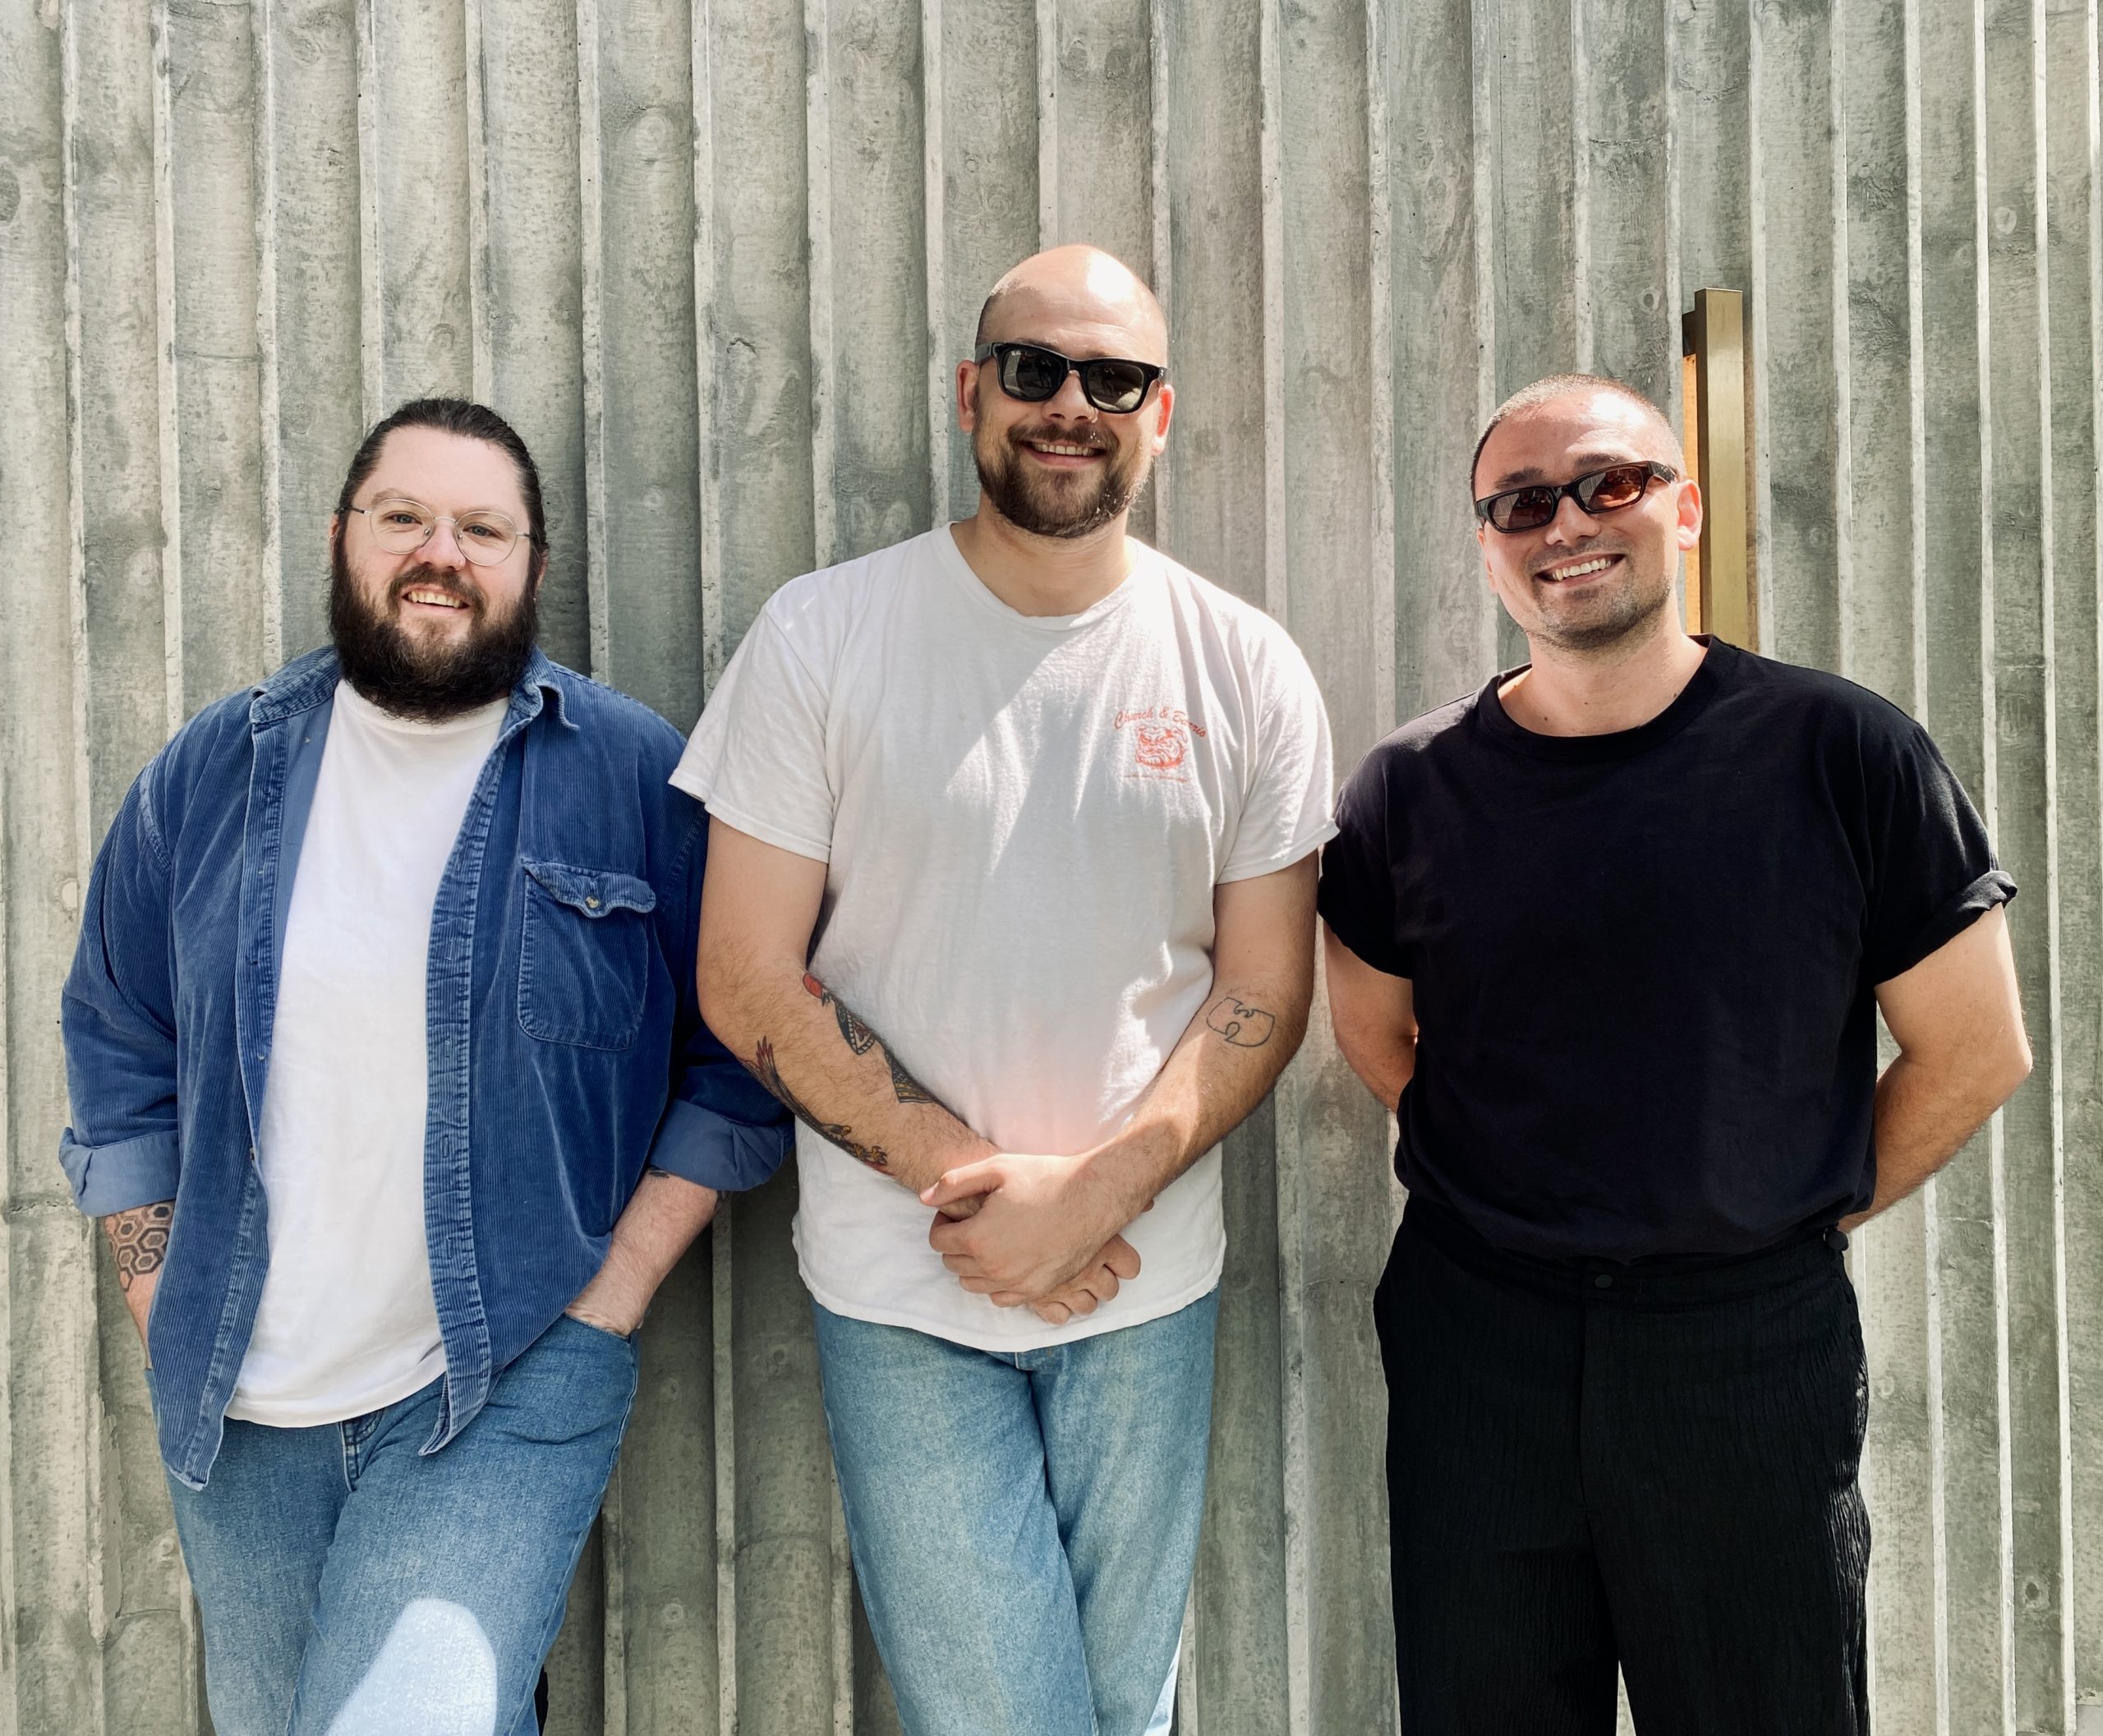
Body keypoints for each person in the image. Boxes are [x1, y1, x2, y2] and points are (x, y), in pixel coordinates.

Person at [678, 244, 1335, 1734]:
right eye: (1035, 369)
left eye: (1116, 379)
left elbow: (1264, 990)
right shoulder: (824, 635)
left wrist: (1096, 1196)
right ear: (972, 393)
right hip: (905, 1279)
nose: (1072, 405)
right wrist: (982, 1193)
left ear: (1162, 415)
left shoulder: (1246, 669)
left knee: (1121, 1706)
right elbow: (743, 973)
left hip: (1145, 1285)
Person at [58, 398, 789, 1736]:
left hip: (507, 1370)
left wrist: (609, 1295)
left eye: (481, 527)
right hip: (238, 1399)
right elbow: (118, 1039)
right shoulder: (210, 773)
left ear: (533, 567)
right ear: (345, 538)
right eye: (404, 517)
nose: (438, 551)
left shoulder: (632, 772)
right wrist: (158, 1284)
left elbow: (743, 1048)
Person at [1319, 373, 2032, 1734]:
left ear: (1685, 506)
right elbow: (1374, 1023)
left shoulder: (1844, 752)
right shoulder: (1408, 787)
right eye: (1523, 502)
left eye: (1613, 482)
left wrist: (1774, 1198)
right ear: (1489, 543)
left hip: (1744, 1349)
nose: (1568, 522)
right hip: (1482, 1338)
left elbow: (1976, 1049)